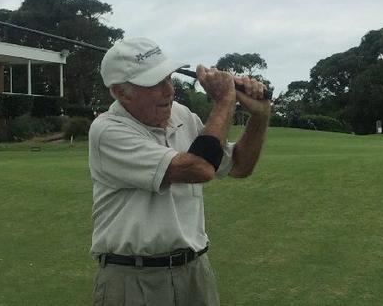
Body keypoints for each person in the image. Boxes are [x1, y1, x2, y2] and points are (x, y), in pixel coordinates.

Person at [89, 37, 270, 306]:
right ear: (120, 92)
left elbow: (240, 167)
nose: (168, 90)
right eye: (154, 83)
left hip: (195, 271)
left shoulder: (183, 116)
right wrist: (224, 102)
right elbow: (200, 169)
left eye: (168, 78)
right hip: (133, 280)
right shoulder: (107, 130)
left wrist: (260, 116)